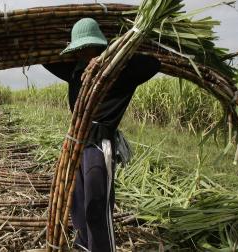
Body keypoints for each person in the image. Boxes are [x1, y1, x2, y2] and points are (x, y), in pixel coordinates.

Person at [42, 18, 160, 252]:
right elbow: (47, 60)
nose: (82, 54)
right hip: (76, 144)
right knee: (77, 201)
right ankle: (83, 245)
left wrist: (107, 59)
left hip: (99, 146)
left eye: (87, 48)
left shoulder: (121, 74)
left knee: (96, 204)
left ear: (99, 45)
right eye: (79, 49)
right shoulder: (75, 72)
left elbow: (153, 63)